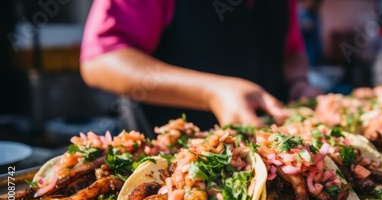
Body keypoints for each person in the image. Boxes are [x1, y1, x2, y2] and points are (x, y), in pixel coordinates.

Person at [80, 0, 323, 135]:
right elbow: (102, 60)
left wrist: (298, 83)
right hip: (166, 165)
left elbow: (291, 50)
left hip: (270, 157)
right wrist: (212, 92)